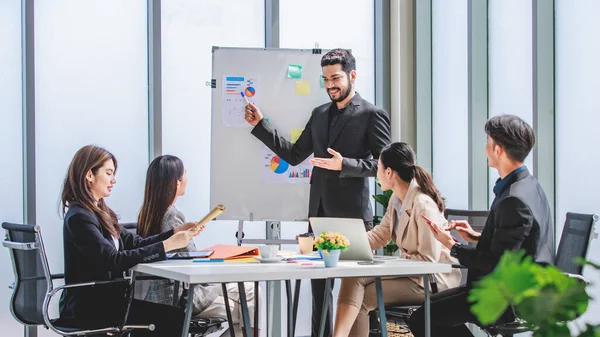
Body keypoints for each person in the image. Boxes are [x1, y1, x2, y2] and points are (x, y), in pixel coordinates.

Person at [244, 48, 391, 337]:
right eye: (325, 79)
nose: (330, 85)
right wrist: (262, 125)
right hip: (320, 216)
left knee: (355, 294)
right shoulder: (320, 114)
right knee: (319, 295)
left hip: (353, 220)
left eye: (335, 78)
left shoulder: (372, 114)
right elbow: (296, 154)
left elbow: (385, 167)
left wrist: (344, 165)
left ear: (352, 75)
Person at [408, 115, 555, 337]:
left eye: (488, 143)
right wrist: (476, 236)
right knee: (429, 310)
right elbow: (521, 244)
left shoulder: (514, 199)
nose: (485, 148)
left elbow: (494, 264)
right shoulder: (528, 185)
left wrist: (451, 244)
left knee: (422, 319)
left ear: (498, 150)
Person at [59, 145, 201, 336]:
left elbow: (135, 243)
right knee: (173, 319)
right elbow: (112, 260)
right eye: (108, 173)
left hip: (108, 302)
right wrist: (168, 246)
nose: (113, 180)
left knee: (173, 317)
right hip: (90, 307)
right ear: (89, 175)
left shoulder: (101, 213)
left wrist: (173, 233)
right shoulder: (79, 217)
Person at [332, 142, 462, 337]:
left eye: (379, 169)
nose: (377, 175)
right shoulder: (396, 200)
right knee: (354, 277)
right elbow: (380, 235)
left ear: (390, 172)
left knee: (363, 297)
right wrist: (340, 245)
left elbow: (429, 261)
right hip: (412, 273)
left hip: (431, 280)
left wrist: (389, 264)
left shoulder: (423, 205)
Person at [137, 155, 260, 336]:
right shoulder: (171, 215)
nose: (187, 178)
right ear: (176, 182)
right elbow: (190, 261)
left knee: (247, 299)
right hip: (181, 296)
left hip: (160, 295)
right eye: (185, 173)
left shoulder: (147, 213)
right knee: (250, 299)